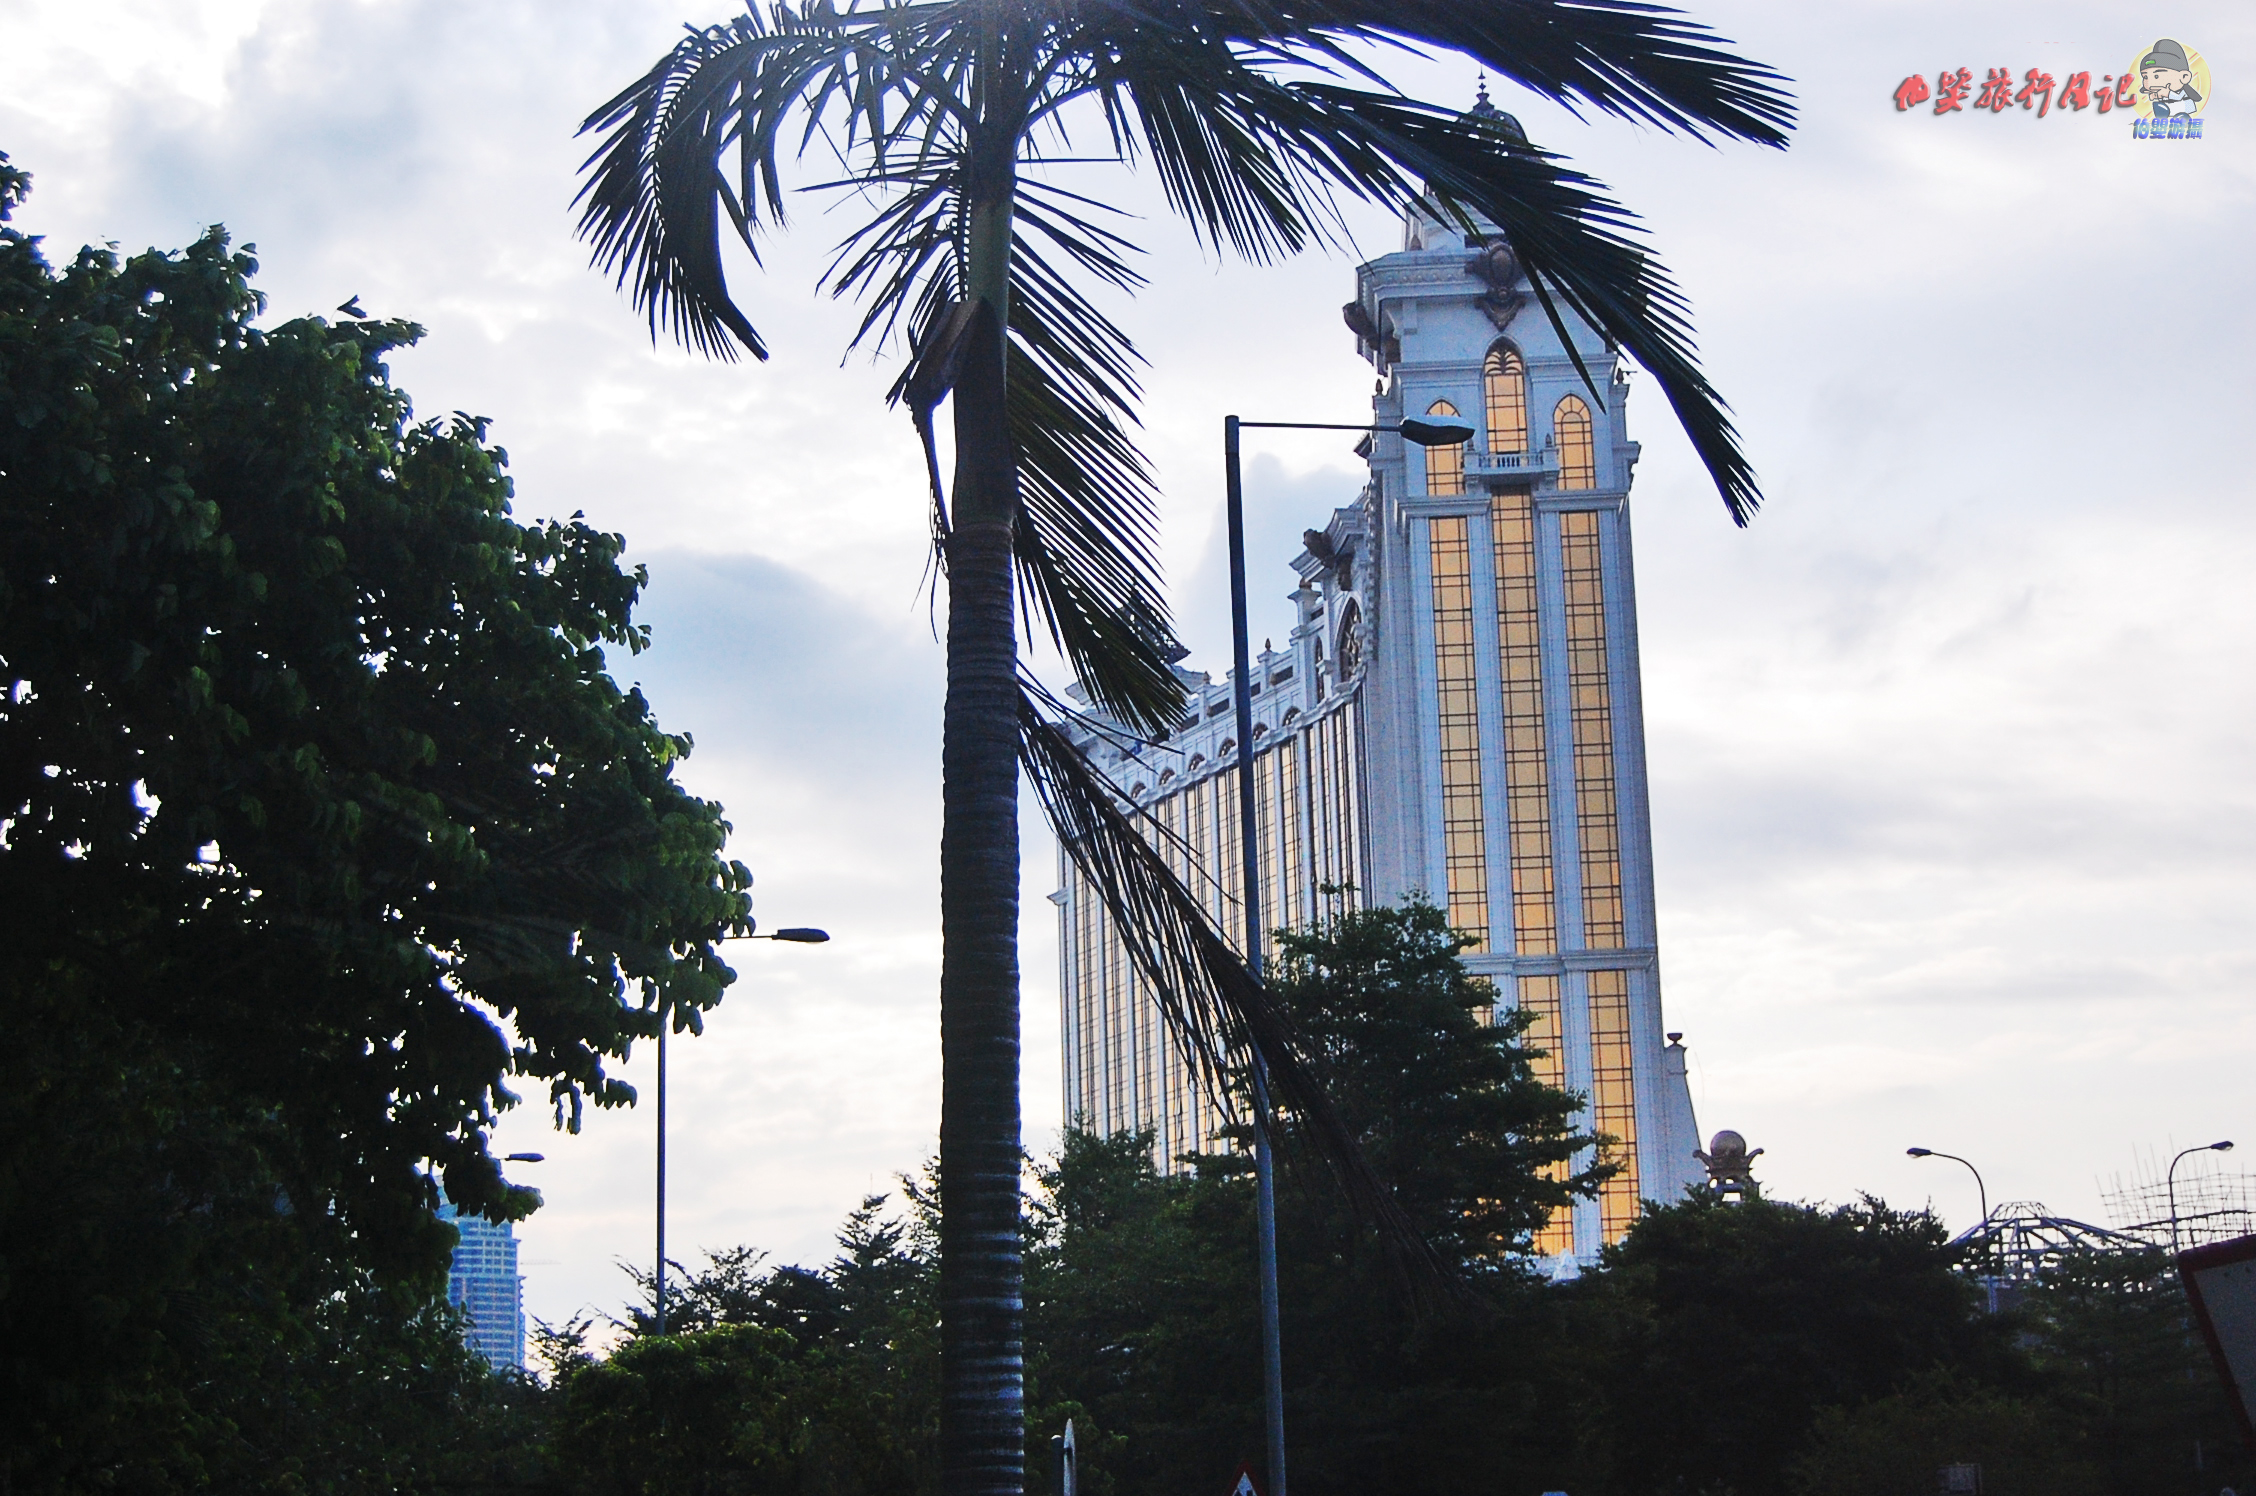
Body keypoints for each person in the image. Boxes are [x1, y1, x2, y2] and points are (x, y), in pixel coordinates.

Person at [2138, 38, 2203, 117]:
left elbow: (2178, 97)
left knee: (2177, 112)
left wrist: (2168, 93)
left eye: (2156, 76)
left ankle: (2182, 118)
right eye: (2145, 77)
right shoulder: (2159, 90)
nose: (2149, 81)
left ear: (2184, 77)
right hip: (2169, 107)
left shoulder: (2182, 91)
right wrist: (2154, 95)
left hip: (2184, 106)